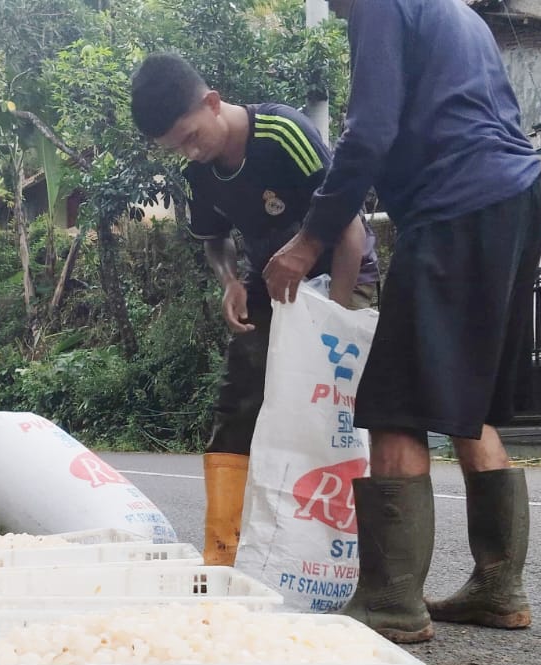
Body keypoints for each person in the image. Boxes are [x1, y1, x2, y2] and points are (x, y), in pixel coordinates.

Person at [264, 0, 541, 643]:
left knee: (396, 400)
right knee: (466, 399)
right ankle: (499, 586)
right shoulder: (456, 13)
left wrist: (308, 242)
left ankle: (391, 600)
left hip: (460, 202)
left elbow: (368, 133)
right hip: (518, 196)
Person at [130, 52, 381, 567]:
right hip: (270, 284)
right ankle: (224, 555)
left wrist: (330, 325)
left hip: (341, 276)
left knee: (333, 415)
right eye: (175, 148)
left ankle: (352, 562)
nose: (190, 152)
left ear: (213, 103)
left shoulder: (283, 133)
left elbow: (351, 228)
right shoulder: (200, 174)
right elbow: (215, 240)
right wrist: (228, 282)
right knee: (238, 404)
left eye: (191, 136)